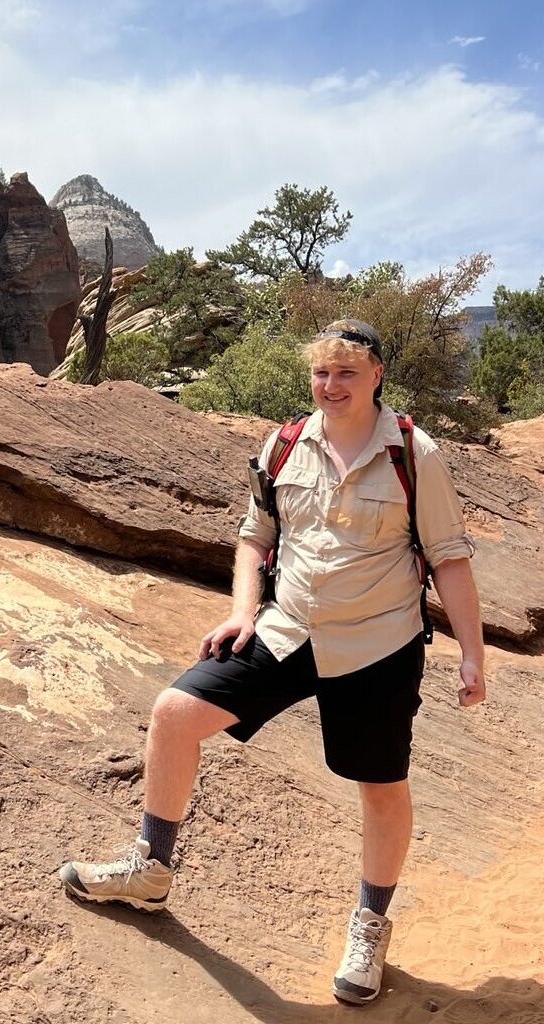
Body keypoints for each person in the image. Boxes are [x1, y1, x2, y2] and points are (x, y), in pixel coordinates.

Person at [59, 318, 486, 1005]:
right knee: (173, 713)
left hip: (376, 644)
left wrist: (473, 652)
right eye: (322, 372)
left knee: (379, 786)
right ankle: (151, 869)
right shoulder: (286, 444)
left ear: (377, 374)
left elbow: (449, 556)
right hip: (286, 630)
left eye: (346, 372)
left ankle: (370, 922)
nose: (331, 385)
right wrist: (241, 610)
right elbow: (254, 537)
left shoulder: (414, 451)